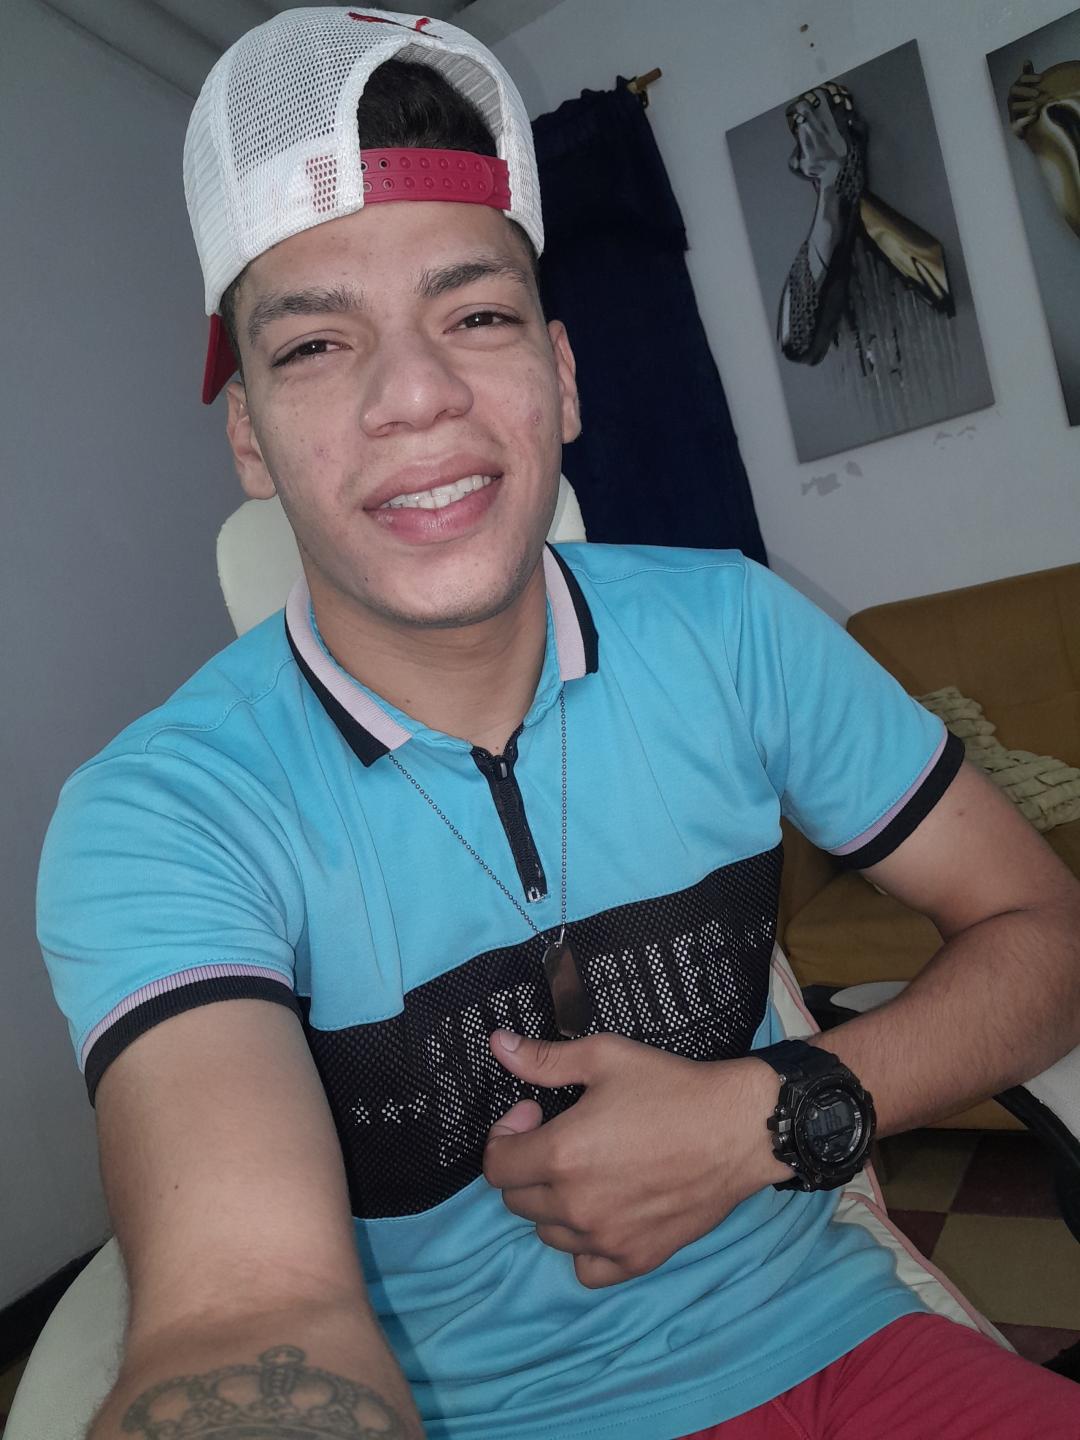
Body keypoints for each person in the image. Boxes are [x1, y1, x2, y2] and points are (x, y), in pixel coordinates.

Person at [36, 8, 1080, 1439]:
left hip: (841, 1345)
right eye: (318, 345)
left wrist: (764, 1116)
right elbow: (243, 1309)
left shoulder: (736, 631)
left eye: (475, 315)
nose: (417, 396)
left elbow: (1047, 934)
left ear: (564, 375)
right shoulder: (166, 813)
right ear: (249, 442)